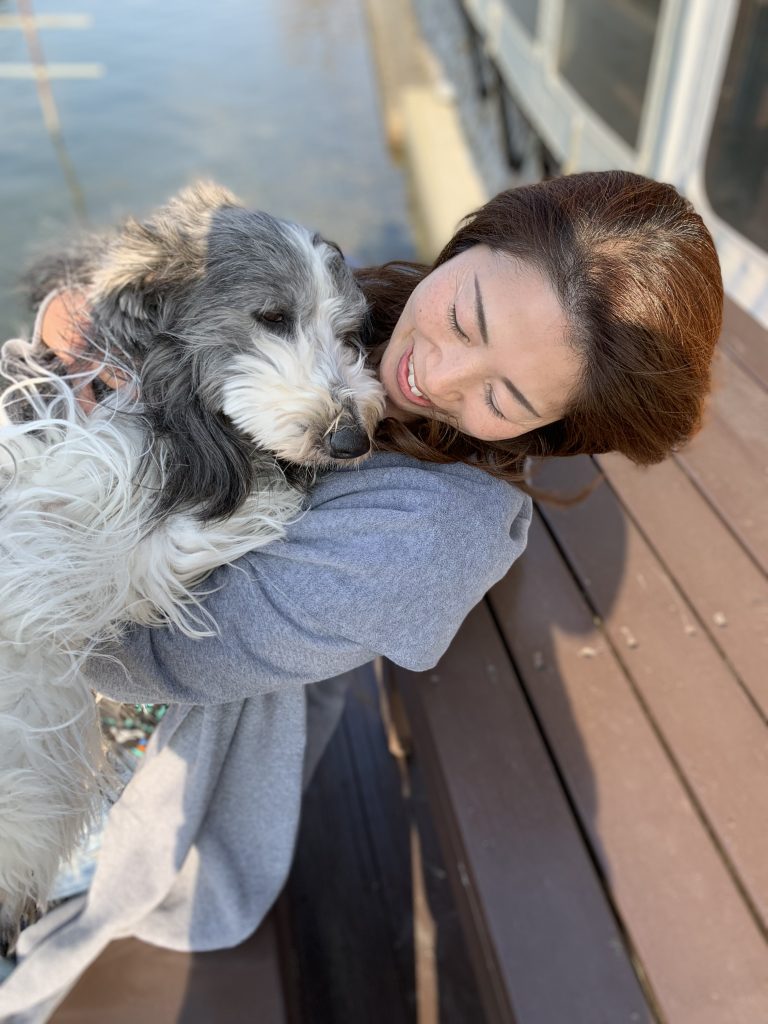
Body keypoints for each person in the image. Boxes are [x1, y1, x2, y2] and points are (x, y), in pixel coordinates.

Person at [0, 170, 722, 1021]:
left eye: (503, 397)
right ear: (468, 242)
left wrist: (73, 442)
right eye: (464, 317)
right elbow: (104, 321)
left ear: (550, 428)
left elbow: (157, 658)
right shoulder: (358, 310)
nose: (439, 375)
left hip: (113, 775)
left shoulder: (429, 535)